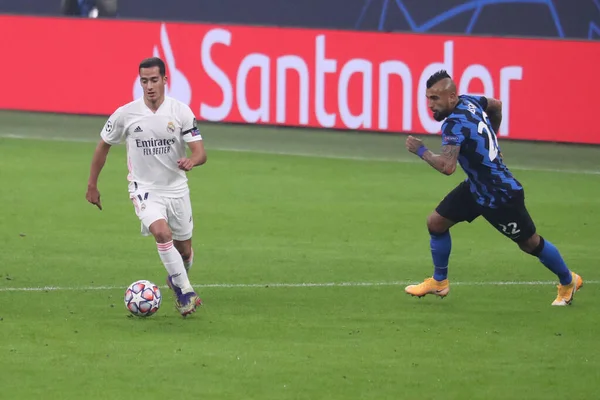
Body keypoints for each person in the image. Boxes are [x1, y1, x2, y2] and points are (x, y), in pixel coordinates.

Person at [404, 70, 583, 306]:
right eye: (428, 98)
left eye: (435, 98)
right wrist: (493, 140)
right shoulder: (470, 101)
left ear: (451, 97)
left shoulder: (454, 125)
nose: (430, 105)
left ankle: (568, 281)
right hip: (477, 187)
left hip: (500, 195)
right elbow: (496, 105)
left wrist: (421, 151)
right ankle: (439, 282)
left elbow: (448, 167)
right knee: (436, 223)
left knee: (530, 243)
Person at [86, 57, 207, 317]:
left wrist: (192, 160)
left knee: (184, 250)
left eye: (154, 80)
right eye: (144, 81)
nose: (149, 86)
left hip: (176, 190)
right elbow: (102, 146)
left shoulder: (181, 112)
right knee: (162, 234)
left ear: (165, 79)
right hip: (144, 189)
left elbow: (201, 152)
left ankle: (177, 278)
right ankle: (186, 292)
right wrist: (92, 185)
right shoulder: (125, 114)